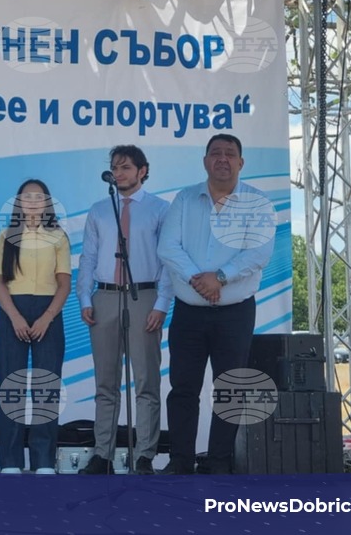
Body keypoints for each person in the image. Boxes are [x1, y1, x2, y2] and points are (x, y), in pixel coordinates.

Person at [157, 133, 274, 475]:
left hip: (235, 313)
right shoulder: (185, 199)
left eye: (230, 153)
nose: (223, 158)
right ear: (205, 161)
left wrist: (220, 278)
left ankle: (220, 461)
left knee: (230, 389)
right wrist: (200, 280)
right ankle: (181, 460)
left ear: (241, 162)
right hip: (189, 312)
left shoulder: (258, 203)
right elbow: (168, 247)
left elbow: (259, 253)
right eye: (216, 153)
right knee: (183, 388)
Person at [76, 146, 171, 476]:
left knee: (146, 382)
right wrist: (85, 298)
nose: (119, 173)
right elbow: (88, 257)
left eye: (126, 167)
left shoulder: (160, 209)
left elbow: (168, 261)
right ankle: (102, 455)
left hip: (143, 295)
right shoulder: (100, 210)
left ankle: (144, 456)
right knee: (105, 383)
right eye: (115, 168)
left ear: (142, 171)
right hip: (104, 296)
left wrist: (161, 303)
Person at [0, 179, 71, 475]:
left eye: (39, 197)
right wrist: (14, 316)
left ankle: (44, 460)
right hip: (12, 311)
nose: (33, 202)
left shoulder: (58, 236)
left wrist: (47, 317)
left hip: (48, 313)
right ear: (19, 203)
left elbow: (64, 283)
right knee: (10, 387)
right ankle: (10, 461)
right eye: (28, 197)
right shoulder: (7, 236)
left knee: (46, 387)